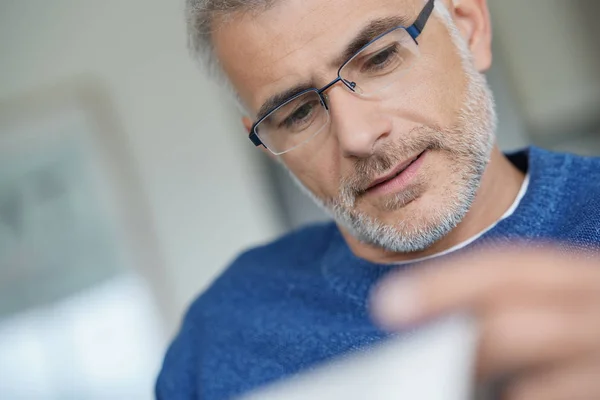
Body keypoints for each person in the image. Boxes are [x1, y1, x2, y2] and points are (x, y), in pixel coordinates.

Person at [156, 0, 600, 398]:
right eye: (298, 112)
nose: (358, 136)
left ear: (468, 26)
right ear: (269, 146)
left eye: (381, 58)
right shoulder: (222, 331)